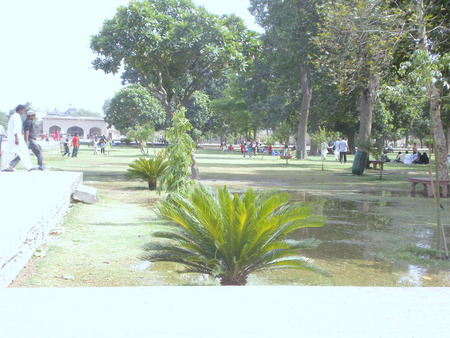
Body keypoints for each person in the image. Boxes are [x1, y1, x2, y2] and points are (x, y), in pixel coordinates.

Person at [1, 104, 34, 171]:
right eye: (23, 110)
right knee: (11, 152)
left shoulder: (14, 116)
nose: (23, 112)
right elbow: (16, 128)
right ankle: (4, 167)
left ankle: (29, 166)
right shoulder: (16, 117)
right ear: (20, 110)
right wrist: (16, 138)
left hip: (14, 137)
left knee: (23, 150)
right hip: (16, 137)